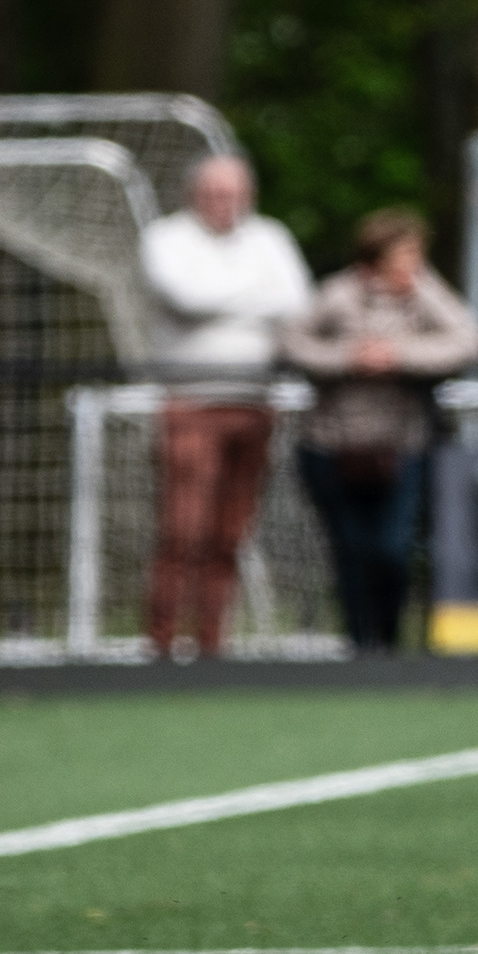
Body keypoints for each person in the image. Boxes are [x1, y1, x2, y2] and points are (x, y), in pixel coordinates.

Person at [277, 208, 478, 654]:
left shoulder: (423, 294)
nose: (414, 263)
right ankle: (359, 646)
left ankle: (388, 640)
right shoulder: (338, 295)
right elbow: (292, 342)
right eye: (406, 254)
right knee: (350, 550)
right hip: (334, 447)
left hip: (402, 447)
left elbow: (469, 339)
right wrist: (348, 358)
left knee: (392, 548)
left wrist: (398, 355)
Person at [138, 154, 313, 663]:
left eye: (234, 193)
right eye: (216, 192)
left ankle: (213, 647)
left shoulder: (270, 237)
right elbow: (185, 297)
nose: (225, 202)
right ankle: (161, 646)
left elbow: (297, 300)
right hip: (190, 404)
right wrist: (258, 295)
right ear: (194, 194)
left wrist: (226, 301)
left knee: (229, 534)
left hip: (255, 405)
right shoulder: (166, 239)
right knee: (183, 530)